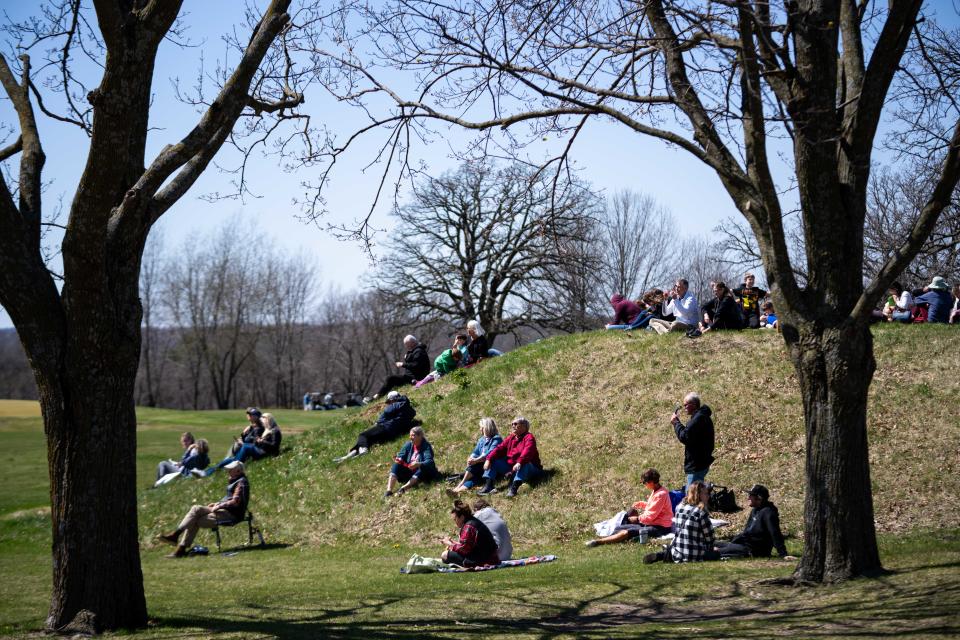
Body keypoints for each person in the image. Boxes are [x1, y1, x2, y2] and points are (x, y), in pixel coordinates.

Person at [157, 460, 250, 558]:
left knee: (195, 516)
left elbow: (235, 502)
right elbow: (230, 498)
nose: (228, 471)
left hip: (232, 515)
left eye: (231, 470)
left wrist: (219, 506)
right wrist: (218, 503)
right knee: (195, 510)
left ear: (239, 471)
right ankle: (176, 540)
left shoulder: (242, 483)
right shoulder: (236, 481)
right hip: (225, 511)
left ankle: (179, 545)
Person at [585, 468, 673, 547]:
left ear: (651, 482)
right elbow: (655, 507)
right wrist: (642, 504)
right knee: (619, 528)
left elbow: (651, 516)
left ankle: (598, 542)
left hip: (659, 527)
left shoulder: (661, 494)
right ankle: (610, 537)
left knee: (627, 532)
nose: (644, 485)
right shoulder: (657, 490)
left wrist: (638, 519)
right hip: (651, 522)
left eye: (644, 483)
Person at [644, 480, 718, 563]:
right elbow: (710, 538)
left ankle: (663, 554)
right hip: (695, 554)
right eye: (706, 493)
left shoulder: (679, 507)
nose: (708, 496)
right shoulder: (701, 512)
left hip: (678, 550)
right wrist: (713, 549)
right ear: (699, 495)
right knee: (721, 550)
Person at [714, 484, 795, 560]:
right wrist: (734, 541)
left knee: (715, 552)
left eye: (750, 496)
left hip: (752, 550)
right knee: (713, 544)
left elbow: (775, 533)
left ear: (759, 498)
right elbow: (746, 532)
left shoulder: (768, 513)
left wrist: (783, 554)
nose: (748, 498)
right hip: (743, 544)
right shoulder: (755, 511)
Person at [333, 391, 416, 463]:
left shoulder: (394, 405)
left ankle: (363, 451)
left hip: (386, 427)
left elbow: (384, 415)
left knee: (363, 435)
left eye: (389, 401)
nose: (389, 403)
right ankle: (347, 457)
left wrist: (378, 422)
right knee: (369, 441)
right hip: (394, 434)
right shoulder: (411, 410)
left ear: (392, 400)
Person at [478, 416, 542, 498]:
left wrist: (519, 462)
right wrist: (488, 459)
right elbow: (499, 448)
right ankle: (488, 486)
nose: (513, 426)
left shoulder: (529, 437)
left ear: (524, 426)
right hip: (513, 468)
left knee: (524, 463)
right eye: (512, 424)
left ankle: (514, 488)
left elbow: (527, 452)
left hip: (531, 469)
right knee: (494, 460)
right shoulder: (511, 437)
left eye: (515, 424)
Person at [200, 413, 282, 476]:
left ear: (268, 419)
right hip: (259, 450)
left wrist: (262, 441)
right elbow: (258, 442)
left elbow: (275, 446)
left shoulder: (275, 431)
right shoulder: (267, 429)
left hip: (264, 453)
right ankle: (206, 472)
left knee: (245, 447)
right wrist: (256, 440)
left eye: (262, 420)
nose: (261, 422)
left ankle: (235, 465)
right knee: (229, 460)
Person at [448, 418, 503, 496]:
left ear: (487, 428)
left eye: (481, 427)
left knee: (475, 465)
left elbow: (490, 454)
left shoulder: (497, 439)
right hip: (482, 467)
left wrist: (476, 460)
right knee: (475, 478)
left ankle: (460, 484)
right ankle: (457, 491)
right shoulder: (481, 440)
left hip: (492, 469)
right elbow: (475, 452)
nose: (480, 429)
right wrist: (471, 458)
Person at [670, 392, 715, 485]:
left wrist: (675, 422)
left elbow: (685, 437)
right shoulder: (700, 416)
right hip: (701, 463)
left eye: (686, 405)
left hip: (697, 465)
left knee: (691, 496)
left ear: (694, 404)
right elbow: (688, 434)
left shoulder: (698, 418)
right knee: (696, 494)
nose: (684, 407)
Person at [440, 500, 500, 568]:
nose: (455, 522)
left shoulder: (469, 527)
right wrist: (453, 543)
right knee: (449, 553)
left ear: (462, 517)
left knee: (445, 555)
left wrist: (449, 544)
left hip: (483, 560)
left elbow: (464, 550)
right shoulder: (473, 522)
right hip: (489, 558)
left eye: (455, 519)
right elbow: (468, 545)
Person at [385, 426, 438, 497]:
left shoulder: (426, 446)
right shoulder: (408, 445)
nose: (410, 437)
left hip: (422, 474)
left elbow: (429, 461)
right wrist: (399, 459)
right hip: (410, 470)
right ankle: (389, 491)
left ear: (420, 436)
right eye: (410, 435)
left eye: (413, 435)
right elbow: (401, 455)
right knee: (396, 465)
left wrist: (418, 464)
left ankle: (403, 488)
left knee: (422, 468)